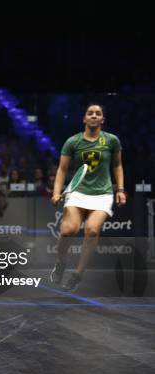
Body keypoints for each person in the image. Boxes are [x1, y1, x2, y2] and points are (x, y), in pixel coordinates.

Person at [50, 103, 126, 291]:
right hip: (77, 192)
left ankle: (77, 274)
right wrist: (56, 192)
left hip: (103, 194)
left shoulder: (111, 141)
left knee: (92, 230)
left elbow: (117, 166)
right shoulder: (73, 142)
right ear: (84, 118)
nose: (94, 116)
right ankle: (60, 263)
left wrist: (121, 190)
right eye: (90, 113)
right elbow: (62, 169)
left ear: (102, 119)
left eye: (98, 113)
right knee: (68, 230)